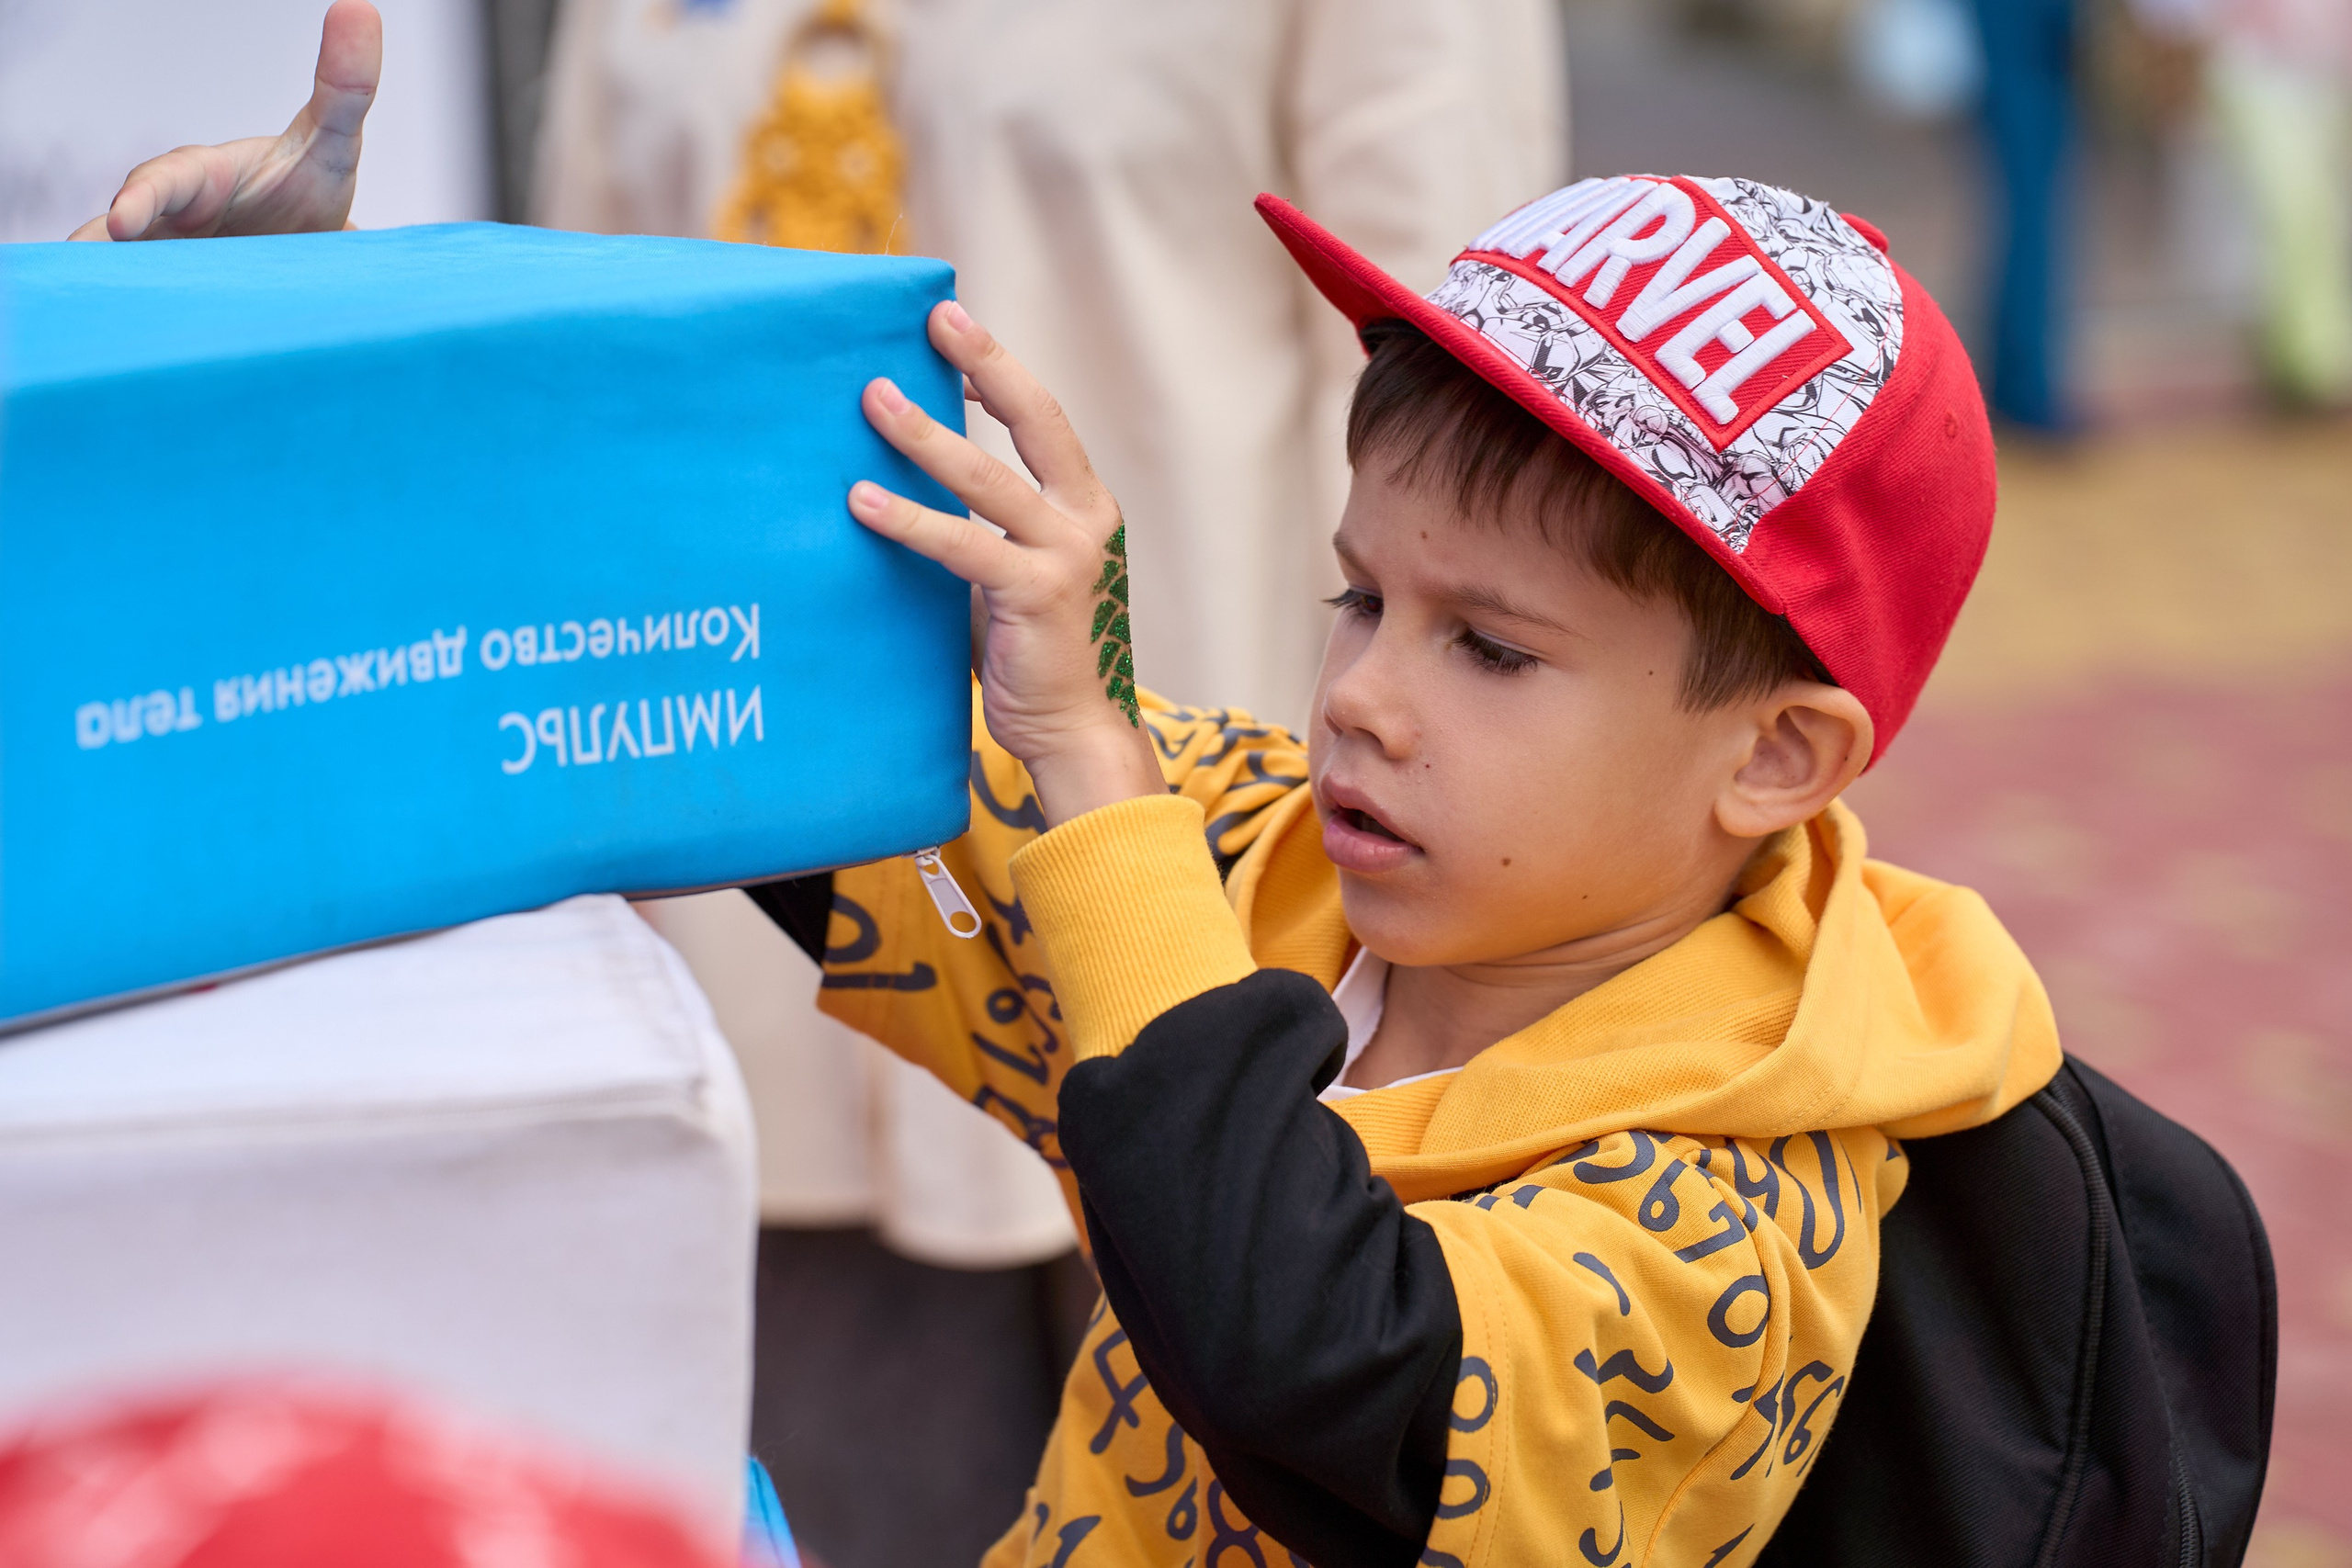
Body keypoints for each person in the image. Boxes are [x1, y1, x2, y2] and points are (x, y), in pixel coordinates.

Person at [740, 175, 2059, 1564]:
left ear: (1778, 757)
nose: (1361, 696)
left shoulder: (1733, 1227)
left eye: (1490, 647)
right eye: (1360, 598)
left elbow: (1301, 1356)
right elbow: (859, 804)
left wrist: (1091, 764)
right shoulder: (1269, 851)